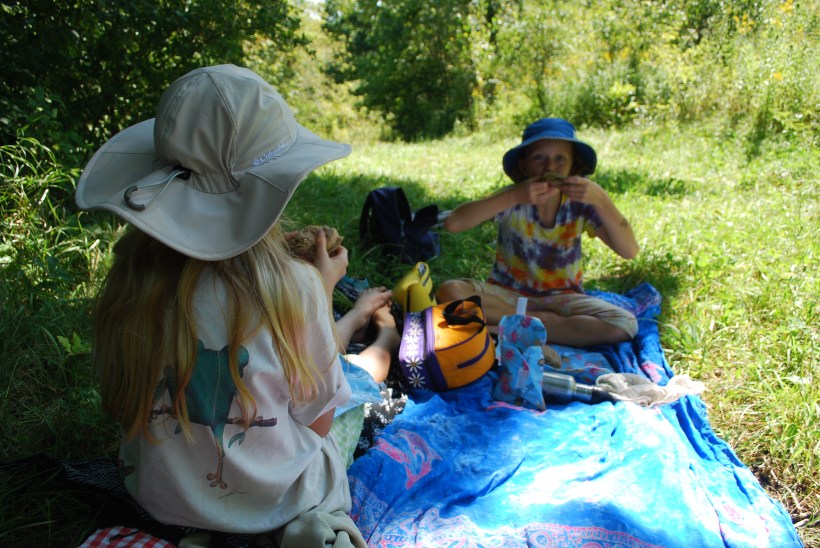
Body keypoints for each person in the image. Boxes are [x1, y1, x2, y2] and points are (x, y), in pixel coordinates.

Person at [76, 64, 367, 547]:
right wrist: (319, 286)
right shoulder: (299, 288)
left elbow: (119, 404)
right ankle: (294, 528)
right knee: (349, 419)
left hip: (162, 500)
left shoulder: (130, 285)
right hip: (278, 498)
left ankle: (205, 532)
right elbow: (316, 421)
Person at [436, 118, 639, 347]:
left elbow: (629, 251)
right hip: (507, 296)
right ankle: (537, 323)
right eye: (539, 158)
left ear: (573, 167)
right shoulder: (513, 199)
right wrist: (513, 196)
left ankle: (509, 329)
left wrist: (602, 199)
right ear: (524, 166)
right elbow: (453, 223)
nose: (550, 168)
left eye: (560, 159)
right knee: (450, 291)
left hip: (564, 298)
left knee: (624, 323)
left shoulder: (579, 205)